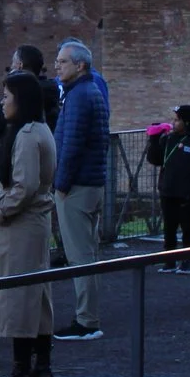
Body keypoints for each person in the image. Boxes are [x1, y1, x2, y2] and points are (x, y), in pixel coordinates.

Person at [0, 71, 60, 377]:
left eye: (6, 97)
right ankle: (40, 368)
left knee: (20, 297)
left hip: (21, 225)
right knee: (36, 297)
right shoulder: (39, 129)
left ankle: (22, 371)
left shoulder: (27, 135)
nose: (2, 103)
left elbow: (24, 185)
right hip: (33, 223)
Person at [49, 39, 110, 342]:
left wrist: (60, 185)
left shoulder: (78, 96)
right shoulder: (91, 91)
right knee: (87, 253)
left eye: (62, 62)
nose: (57, 66)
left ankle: (86, 320)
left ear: (80, 65)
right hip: (91, 182)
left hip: (77, 187)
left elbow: (71, 145)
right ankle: (87, 317)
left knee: (80, 256)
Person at [144, 104, 190, 274]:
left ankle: (187, 261)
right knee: (169, 227)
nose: (173, 123)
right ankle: (169, 260)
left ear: (186, 122)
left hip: (185, 193)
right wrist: (153, 139)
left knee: (187, 227)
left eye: (177, 120)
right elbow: (155, 159)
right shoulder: (168, 139)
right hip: (167, 190)